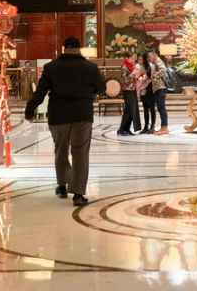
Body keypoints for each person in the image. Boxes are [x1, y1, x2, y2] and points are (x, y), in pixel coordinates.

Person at [24, 36, 105, 205]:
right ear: (79, 48)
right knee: (80, 154)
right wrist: (88, 92)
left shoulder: (51, 67)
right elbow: (101, 88)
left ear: (63, 48)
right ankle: (78, 194)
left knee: (60, 151)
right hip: (82, 115)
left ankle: (62, 185)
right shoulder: (91, 67)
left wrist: (30, 110)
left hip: (58, 115)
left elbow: (40, 92)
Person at [118, 53, 143, 136]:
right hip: (127, 90)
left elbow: (134, 78)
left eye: (134, 58)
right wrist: (133, 74)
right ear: (127, 58)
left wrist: (138, 76)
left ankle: (126, 129)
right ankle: (121, 130)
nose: (134, 60)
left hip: (133, 89)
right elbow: (125, 80)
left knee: (131, 110)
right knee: (129, 110)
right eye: (132, 58)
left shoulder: (132, 66)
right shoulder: (124, 67)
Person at [148, 51, 170, 135]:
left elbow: (163, 70)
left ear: (154, 55)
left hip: (161, 88)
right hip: (158, 88)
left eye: (150, 57)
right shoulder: (155, 62)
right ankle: (163, 127)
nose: (149, 59)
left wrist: (155, 76)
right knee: (160, 108)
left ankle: (165, 128)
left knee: (161, 107)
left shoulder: (158, 61)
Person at [138, 52, 156, 134]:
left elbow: (152, 77)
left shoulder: (152, 66)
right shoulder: (141, 67)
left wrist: (146, 80)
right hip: (143, 89)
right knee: (145, 109)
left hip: (151, 89)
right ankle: (146, 126)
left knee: (152, 108)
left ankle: (152, 126)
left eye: (141, 59)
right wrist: (141, 80)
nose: (140, 60)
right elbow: (139, 77)